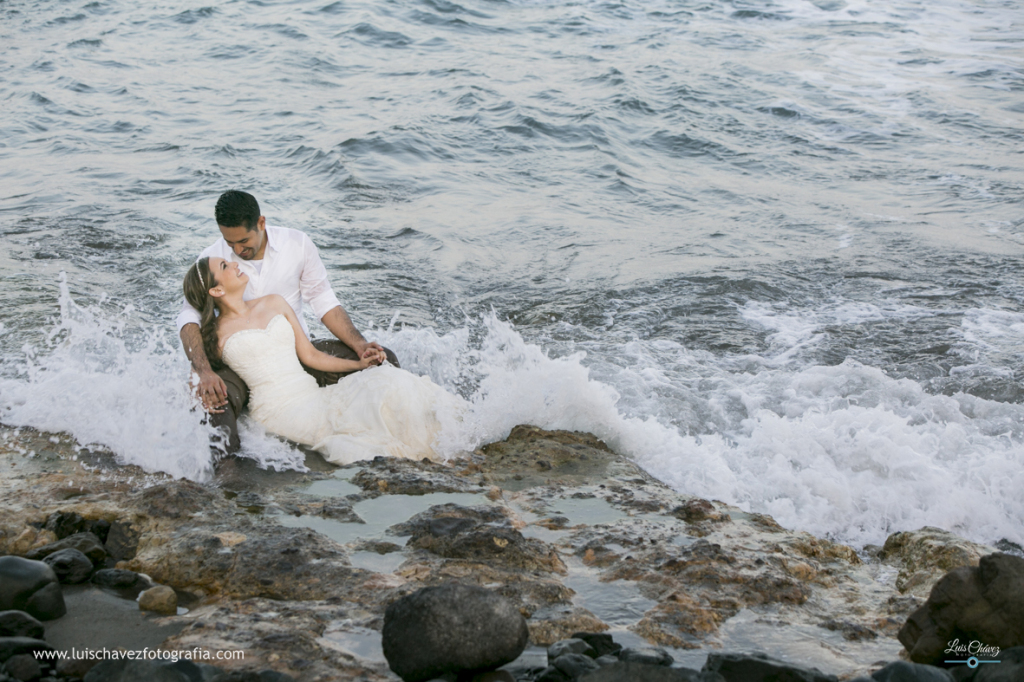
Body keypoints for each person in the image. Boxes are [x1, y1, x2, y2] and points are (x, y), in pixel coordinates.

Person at [177, 190, 398, 453]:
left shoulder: (297, 244)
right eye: (229, 242)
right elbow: (189, 317)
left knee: (384, 360)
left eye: (244, 241)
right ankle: (231, 476)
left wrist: (359, 344)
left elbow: (322, 300)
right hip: (239, 362)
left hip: (294, 354)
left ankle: (394, 430)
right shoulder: (213, 260)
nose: (236, 250)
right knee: (215, 404)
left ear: (261, 223)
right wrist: (205, 372)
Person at [182, 257, 460, 464]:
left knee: (386, 380)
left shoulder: (274, 303)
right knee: (362, 425)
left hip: (311, 393)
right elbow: (199, 370)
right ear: (216, 291)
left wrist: (359, 365)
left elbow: (311, 356)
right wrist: (200, 377)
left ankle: (452, 437)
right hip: (278, 409)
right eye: (224, 267)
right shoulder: (216, 336)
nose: (233, 263)